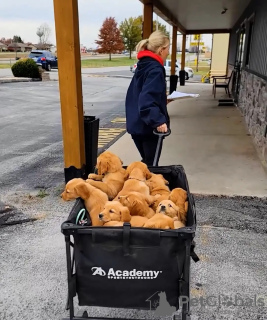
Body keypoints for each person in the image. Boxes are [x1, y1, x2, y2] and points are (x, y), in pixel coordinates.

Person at [125, 30, 170, 166]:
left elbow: (141, 93)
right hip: (148, 127)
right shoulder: (155, 69)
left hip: (136, 123)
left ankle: (137, 185)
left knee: (146, 163)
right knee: (151, 166)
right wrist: (158, 121)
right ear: (161, 50)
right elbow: (147, 99)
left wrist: (163, 100)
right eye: (168, 48)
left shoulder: (143, 65)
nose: (169, 52)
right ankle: (139, 186)